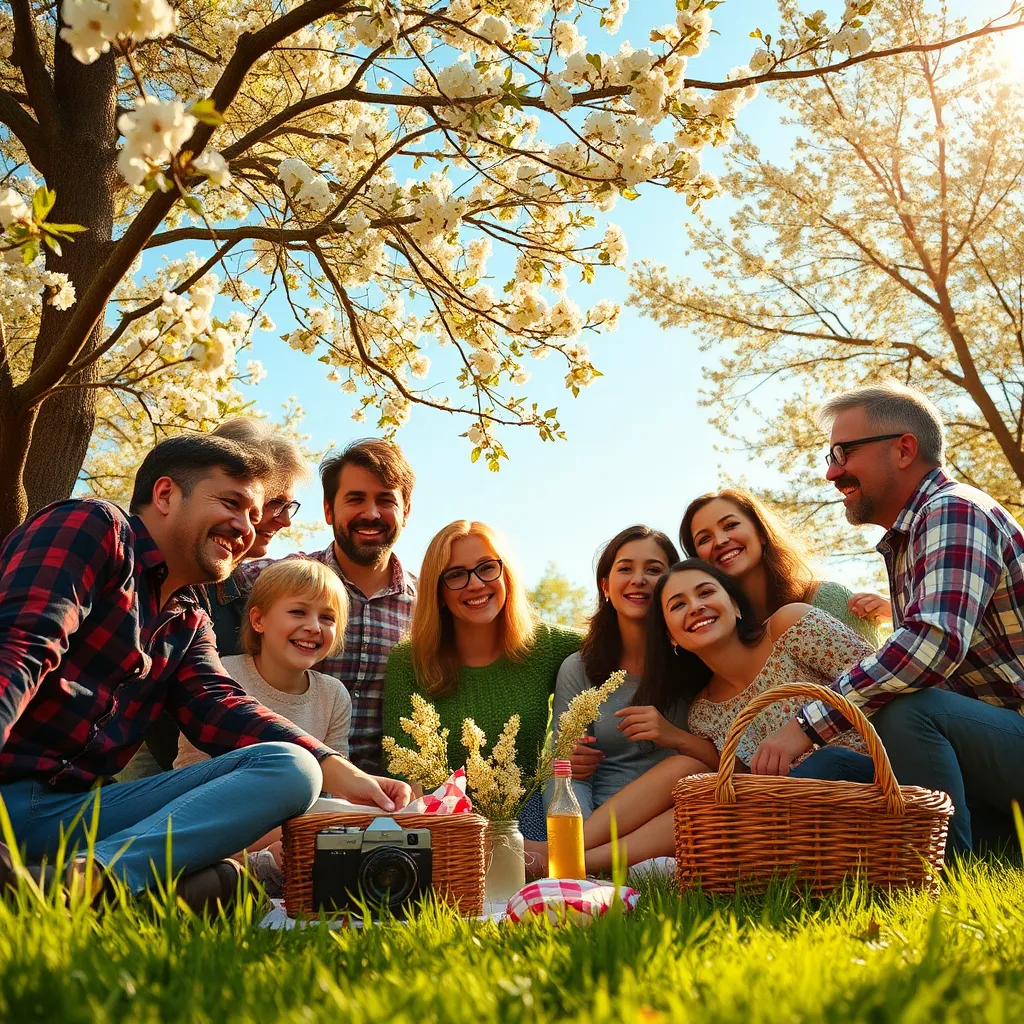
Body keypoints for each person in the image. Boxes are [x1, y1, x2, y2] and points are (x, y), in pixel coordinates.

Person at [0, 435, 409, 907]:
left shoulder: (190, 619)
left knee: (291, 767)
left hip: (79, 812)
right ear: (166, 494)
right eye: (231, 504)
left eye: (255, 519)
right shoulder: (95, 529)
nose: (245, 529)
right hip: (8, 790)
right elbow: (23, 649)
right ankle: (164, 893)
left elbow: (221, 709)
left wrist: (336, 767)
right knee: (219, 883)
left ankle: (85, 883)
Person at [749, 382, 1024, 858]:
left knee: (905, 707)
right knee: (837, 765)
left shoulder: (953, 511)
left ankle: (938, 881)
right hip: (990, 757)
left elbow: (930, 645)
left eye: (843, 452)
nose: (832, 472)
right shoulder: (911, 537)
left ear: (903, 449)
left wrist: (805, 724)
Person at [525, 558, 874, 876]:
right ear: (670, 636)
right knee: (690, 774)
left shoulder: (788, 625)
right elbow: (743, 777)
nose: (695, 607)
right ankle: (565, 856)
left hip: (863, 783)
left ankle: (565, 861)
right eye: (677, 605)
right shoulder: (703, 709)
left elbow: (884, 674)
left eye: (706, 592)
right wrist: (676, 738)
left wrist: (803, 728)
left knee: (823, 763)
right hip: (779, 818)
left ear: (735, 605)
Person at [122, 417, 310, 778]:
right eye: (275, 504)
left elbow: (217, 701)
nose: (284, 521)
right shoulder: (130, 561)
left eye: (290, 506)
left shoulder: (253, 595)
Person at [382, 520, 581, 839]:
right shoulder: (409, 661)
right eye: (456, 575)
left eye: (487, 568)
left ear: (506, 576)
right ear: (439, 592)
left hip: (523, 815)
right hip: (442, 819)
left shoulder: (542, 644)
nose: (475, 584)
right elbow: (405, 771)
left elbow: (617, 647)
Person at [175, 558, 353, 895]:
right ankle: (247, 869)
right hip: (214, 829)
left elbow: (330, 797)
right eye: (298, 612)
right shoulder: (222, 677)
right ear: (258, 619)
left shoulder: (332, 696)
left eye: (327, 618)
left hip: (297, 836)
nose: (314, 626)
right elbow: (194, 785)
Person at [242, 439, 417, 776]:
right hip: (281, 789)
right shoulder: (268, 581)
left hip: (387, 802)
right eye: (355, 499)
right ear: (328, 510)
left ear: (405, 511)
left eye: (386, 500)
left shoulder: (428, 608)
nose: (370, 513)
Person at [546, 525, 687, 817]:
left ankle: (566, 857)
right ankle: (578, 851)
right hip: (600, 815)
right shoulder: (579, 669)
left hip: (677, 814)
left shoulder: (695, 660)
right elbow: (573, 774)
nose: (638, 580)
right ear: (605, 586)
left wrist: (671, 734)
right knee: (556, 771)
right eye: (625, 569)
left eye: (653, 569)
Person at [680, 487, 886, 645]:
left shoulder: (826, 600)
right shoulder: (724, 639)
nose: (720, 540)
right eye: (704, 539)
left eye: (730, 525)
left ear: (761, 532)